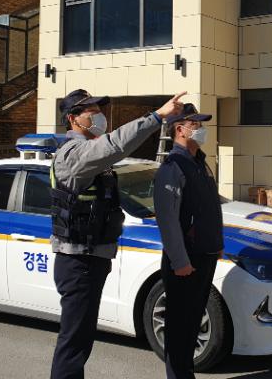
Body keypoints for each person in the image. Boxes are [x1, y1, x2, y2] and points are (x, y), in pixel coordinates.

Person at [50, 88, 186, 379]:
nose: (99, 117)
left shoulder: (90, 153)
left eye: (100, 111)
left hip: (90, 259)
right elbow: (115, 144)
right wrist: (156, 117)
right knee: (74, 343)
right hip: (78, 261)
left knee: (80, 339)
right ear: (73, 119)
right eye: (92, 112)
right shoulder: (74, 154)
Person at [153, 103, 224, 379]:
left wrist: (217, 242)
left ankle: (186, 374)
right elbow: (168, 219)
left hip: (205, 255)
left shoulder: (199, 162)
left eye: (201, 124)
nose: (201, 129)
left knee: (192, 322)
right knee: (179, 327)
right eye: (196, 125)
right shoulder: (173, 166)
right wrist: (179, 260)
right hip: (186, 261)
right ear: (180, 129)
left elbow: (211, 207)